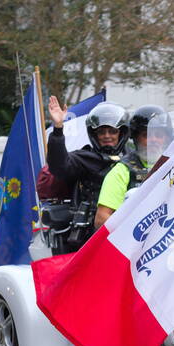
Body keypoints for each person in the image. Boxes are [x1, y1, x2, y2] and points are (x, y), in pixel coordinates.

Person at [43, 99, 143, 249]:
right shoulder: (84, 158)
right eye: (101, 132)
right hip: (92, 234)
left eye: (112, 131)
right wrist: (58, 128)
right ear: (93, 134)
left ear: (122, 132)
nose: (107, 136)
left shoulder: (135, 159)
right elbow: (59, 166)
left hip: (132, 229)